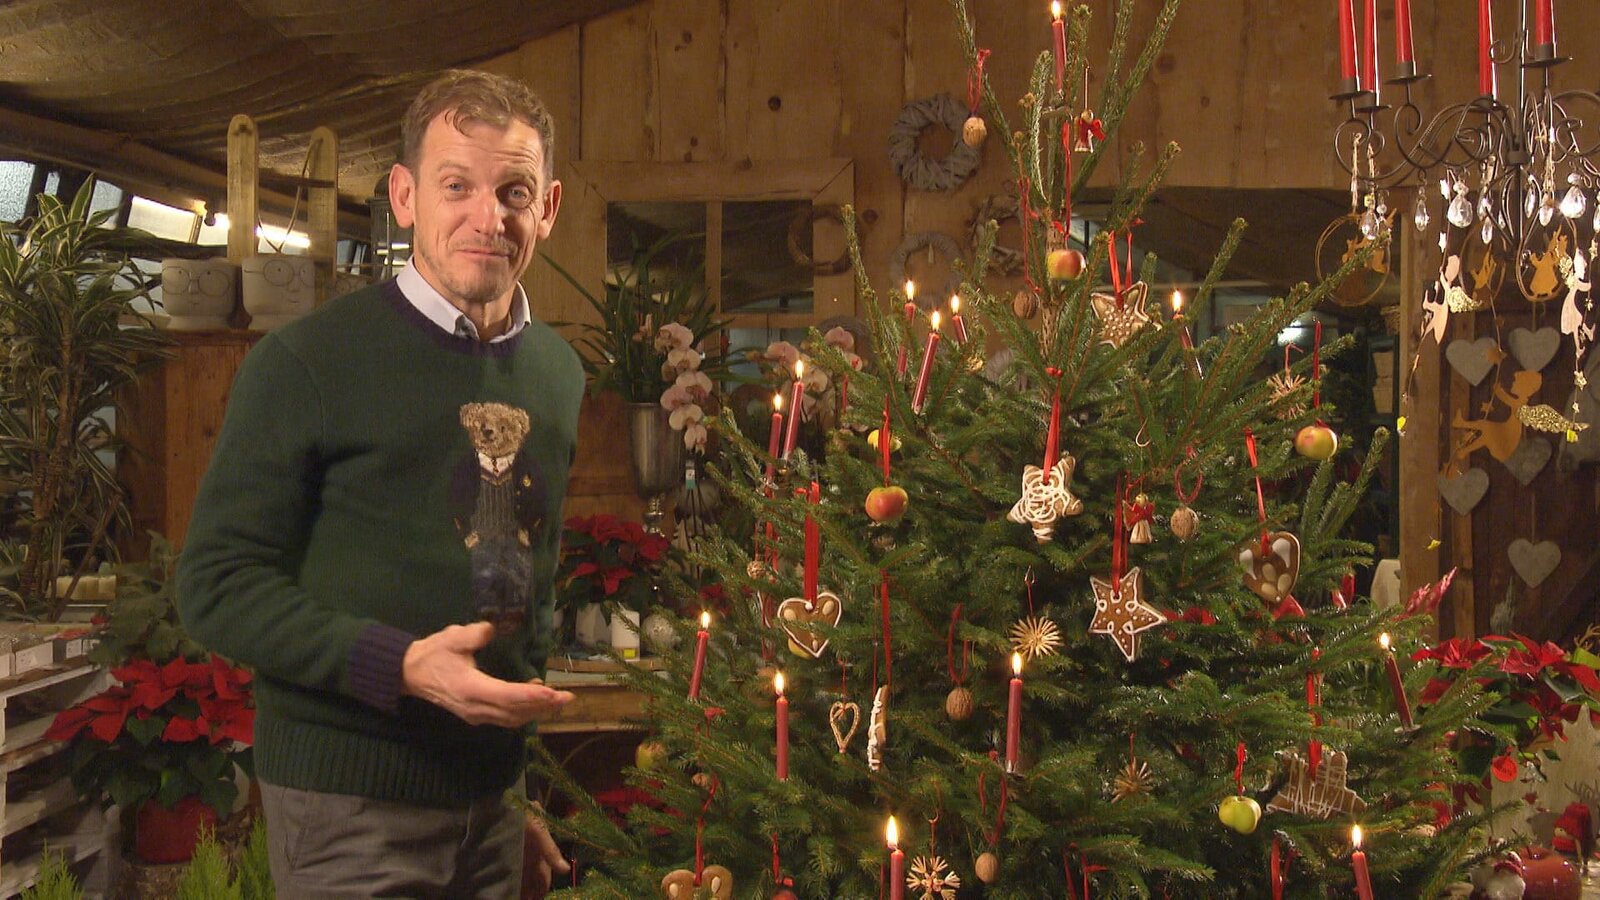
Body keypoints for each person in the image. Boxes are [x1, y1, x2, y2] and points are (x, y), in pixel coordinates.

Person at [177, 69, 583, 898]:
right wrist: (399, 664)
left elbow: (526, 593)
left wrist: (516, 799)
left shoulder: (558, 372)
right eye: (456, 186)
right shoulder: (306, 362)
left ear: (547, 208)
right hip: (349, 808)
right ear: (404, 196)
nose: (488, 218)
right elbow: (214, 587)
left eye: (513, 192)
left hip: (491, 810)